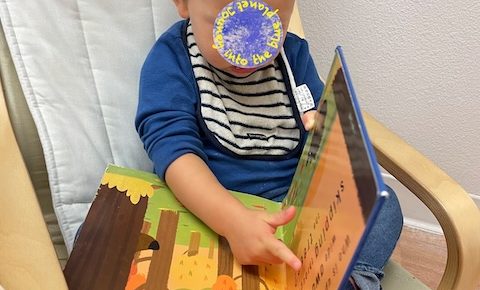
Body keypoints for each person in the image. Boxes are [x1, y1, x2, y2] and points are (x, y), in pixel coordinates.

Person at [135, 0, 403, 289]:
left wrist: (326, 133)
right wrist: (231, 221)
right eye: (228, 29)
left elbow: (321, 138)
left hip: (291, 209)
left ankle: (352, 280)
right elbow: (173, 151)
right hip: (212, 207)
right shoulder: (173, 57)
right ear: (184, 4)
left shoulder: (293, 56)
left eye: (268, 29)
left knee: (382, 203)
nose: (246, 53)